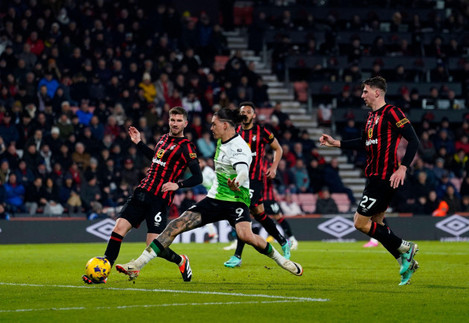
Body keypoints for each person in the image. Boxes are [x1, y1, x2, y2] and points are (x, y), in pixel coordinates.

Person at [115, 108, 303, 280]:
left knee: (246, 236)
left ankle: (282, 261)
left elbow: (243, 170)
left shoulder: (239, 147)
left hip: (236, 200)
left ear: (225, 125)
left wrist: (237, 181)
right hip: (214, 199)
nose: (211, 127)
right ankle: (136, 264)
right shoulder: (222, 140)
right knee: (175, 225)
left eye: (214, 124)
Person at [82, 106, 203, 284]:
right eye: (172, 120)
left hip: (160, 199)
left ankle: (181, 260)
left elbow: (198, 177)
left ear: (185, 123)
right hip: (142, 192)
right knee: (118, 229)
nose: (175, 124)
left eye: (179, 121)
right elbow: (156, 158)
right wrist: (139, 143)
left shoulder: (186, 147)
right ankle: (103, 273)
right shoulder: (162, 139)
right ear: (168, 120)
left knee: (153, 245)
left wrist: (178, 184)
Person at [319, 76, 420, 286]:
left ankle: (406, 247)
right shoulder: (370, 117)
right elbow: (365, 143)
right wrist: (336, 143)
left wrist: (403, 167)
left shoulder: (392, 112)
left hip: (385, 177)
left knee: (359, 222)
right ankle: (405, 263)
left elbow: (414, 140)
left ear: (377, 92)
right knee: (377, 224)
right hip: (373, 176)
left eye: (365, 91)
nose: (362, 95)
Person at [224, 102, 291, 269]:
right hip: (239, 179)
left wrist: (274, 166)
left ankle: (237, 256)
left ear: (254, 115)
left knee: (243, 211)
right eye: (243, 112)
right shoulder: (235, 132)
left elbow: (278, 148)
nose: (245, 114)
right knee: (259, 214)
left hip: (254, 179)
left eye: (248, 112)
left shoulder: (262, 131)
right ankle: (283, 241)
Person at [262, 158, 299, 250]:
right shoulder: (251, 162)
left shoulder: (269, 164)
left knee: (279, 217)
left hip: (269, 198)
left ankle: (292, 239)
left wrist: (273, 177)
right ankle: (239, 241)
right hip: (256, 197)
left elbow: (279, 181)